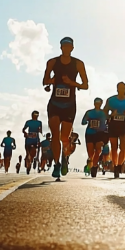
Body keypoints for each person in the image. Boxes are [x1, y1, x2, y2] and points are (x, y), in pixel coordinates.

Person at [42, 37, 89, 180]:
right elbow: (45, 81)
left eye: (69, 46)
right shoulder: (52, 62)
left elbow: (85, 85)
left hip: (69, 105)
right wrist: (52, 80)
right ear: (61, 47)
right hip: (55, 104)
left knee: (64, 137)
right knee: (55, 135)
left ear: (72, 48)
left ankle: (64, 157)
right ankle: (56, 164)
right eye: (64, 46)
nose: (67, 48)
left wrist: (71, 82)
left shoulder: (78, 64)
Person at [105, 82, 125, 179]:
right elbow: (104, 112)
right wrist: (110, 116)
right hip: (113, 124)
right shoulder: (111, 100)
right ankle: (115, 166)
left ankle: (119, 165)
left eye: (123, 88)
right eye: (120, 88)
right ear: (117, 89)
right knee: (114, 147)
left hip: (124, 125)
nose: (122, 90)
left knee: (124, 148)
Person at [81, 98, 109, 177]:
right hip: (90, 133)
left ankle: (94, 166)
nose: (97, 104)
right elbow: (83, 122)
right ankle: (91, 163)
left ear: (101, 104)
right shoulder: (89, 112)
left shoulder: (104, 113)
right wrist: (87, 120)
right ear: (94, 103)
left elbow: (109, 119)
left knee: (98, 150)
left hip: (100, 133)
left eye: (99, 103)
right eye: (96, 103)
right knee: (90, 153)